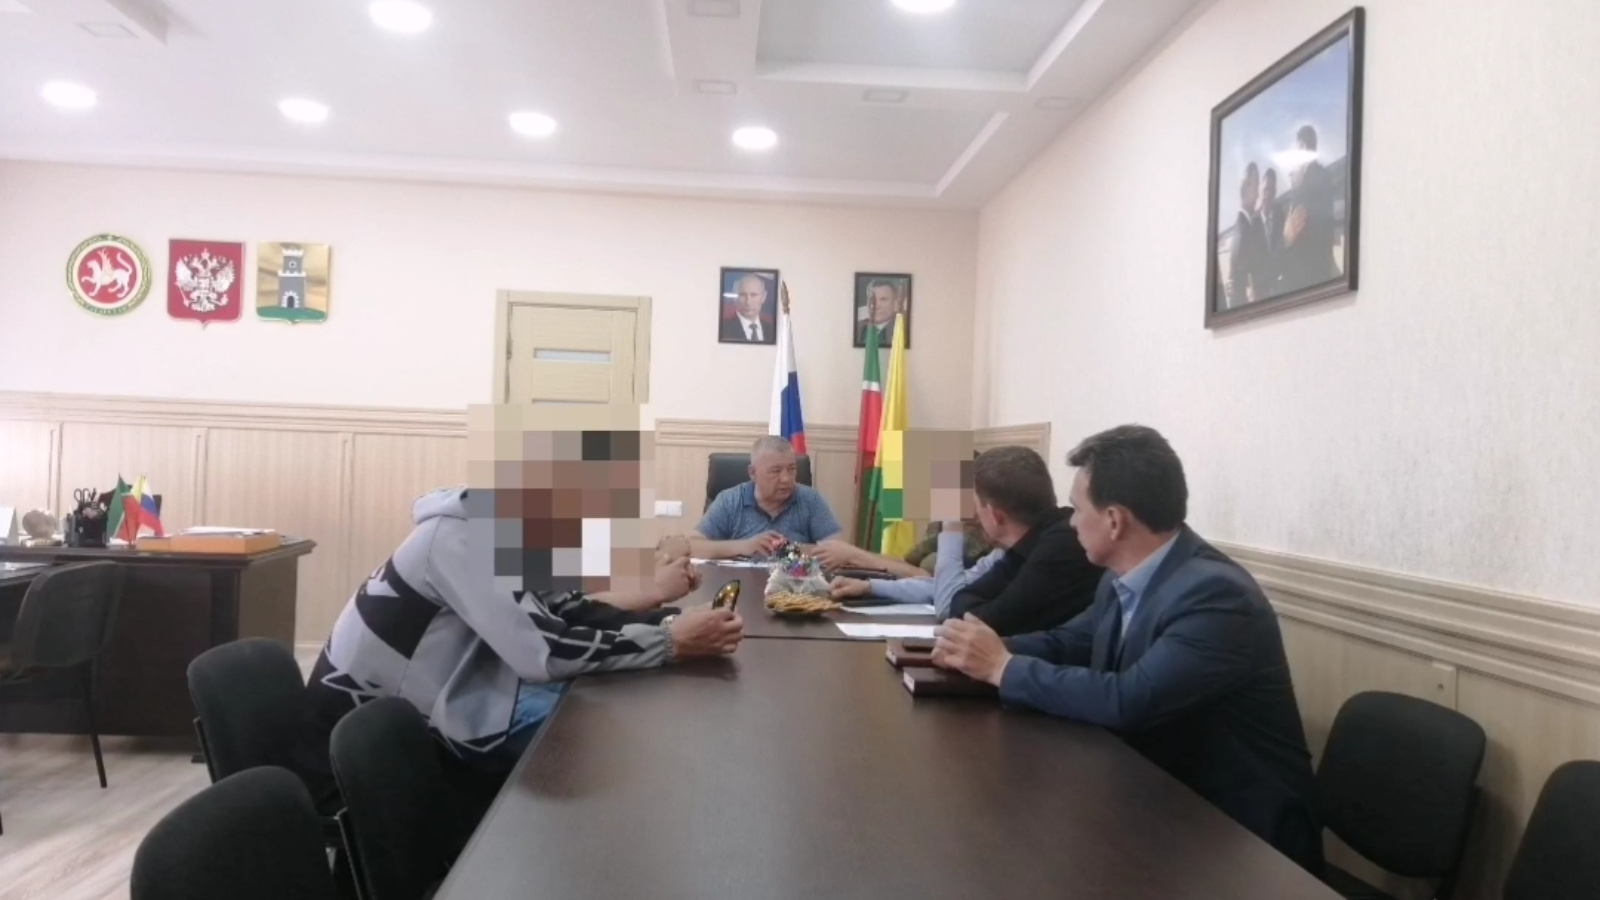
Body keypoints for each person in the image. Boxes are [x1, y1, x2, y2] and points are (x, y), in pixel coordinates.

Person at [291, 421, 746, 811]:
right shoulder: (462, 539)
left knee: (607, 728)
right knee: (604, 747)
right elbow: (544, 651)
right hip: (362, 766)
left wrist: (667, 620)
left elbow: (563, 610)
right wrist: (670, 641)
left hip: (431, 711)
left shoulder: (510, 527)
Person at [931, 426, 1322, 875]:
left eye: (1078, 509)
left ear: (1115, 520)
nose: (1070, 523)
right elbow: (1072, 641)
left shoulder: (1215, 595)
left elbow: (1129, 699)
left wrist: (1003, 667)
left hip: (1241, 840)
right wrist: (983, 649)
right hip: (1159, 800)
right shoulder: (1124, 575)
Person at [827, 445, 1101, 634]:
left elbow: (950, 608)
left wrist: (951, 522)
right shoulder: (1013, 549)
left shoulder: (1057, 548)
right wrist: (871, 587)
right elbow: (959, 590)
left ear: (995, 515)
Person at [692, 436, 843, 558]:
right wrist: (745, 546)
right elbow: (693, 546)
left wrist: (789, 549)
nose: (786, 479)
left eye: (791, 469)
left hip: (794, 584)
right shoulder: (729, 500)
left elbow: (838, 550)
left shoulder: (810, 499)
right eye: (776, 471)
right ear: (753, 473)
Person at [1281, 124, 1338, 292]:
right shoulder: (1320, 175)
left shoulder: (1314, 178)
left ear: (1304, 147)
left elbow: (1305, 223)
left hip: (1309, 272)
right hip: (1314, 268)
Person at [1225, 162, 1267, 308]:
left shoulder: (1246, 226)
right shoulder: (1243, 232)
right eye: (1256, 187)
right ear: (1247, 186)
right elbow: (1244, 285)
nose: (1258, 195)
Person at [719, 273, 775, 343]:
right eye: (742, 295)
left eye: (754, 295)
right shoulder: (724, 329)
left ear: (764, 297)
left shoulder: (771, 330)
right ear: (734, 297)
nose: (748, 302)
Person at [1258, 167, 1283, 297]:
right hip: (1260, 291)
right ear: (1260, 190)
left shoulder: (1282, 218)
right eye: (1265, 189)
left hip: (1279, 289)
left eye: (1272, 190)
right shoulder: (1251, 224)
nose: (1268, 194)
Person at [857, 278, 903, 347]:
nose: (876, 306)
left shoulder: (900, 329)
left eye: (883, 299)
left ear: (895, 303)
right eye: (872, 299)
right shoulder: (858, 327)